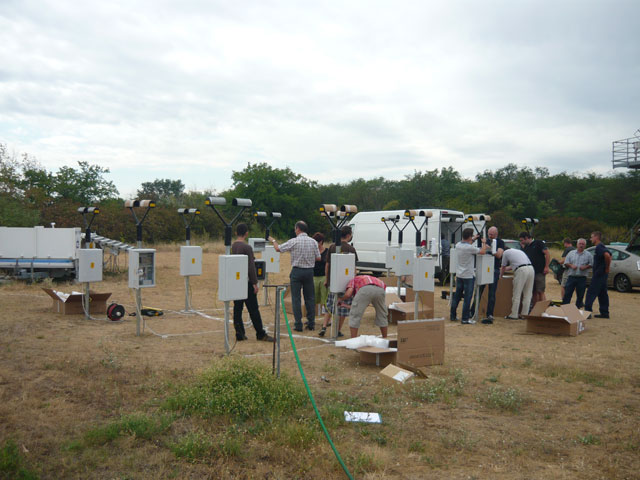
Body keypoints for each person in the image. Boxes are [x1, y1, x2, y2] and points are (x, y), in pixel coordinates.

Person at [270, 221, 321, 331]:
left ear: (298, 229)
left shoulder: (294, 241)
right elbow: (318, 257)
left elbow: (278, 249)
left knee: (296, 298)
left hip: (297, 271)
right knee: (310, 298)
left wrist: (273, 241)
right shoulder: (313, 242)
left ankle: (298, 324)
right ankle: (311, 323)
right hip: (309, 271)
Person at [231, 223, 274, 342]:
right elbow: (251, 267)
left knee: (237, 308)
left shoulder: (233, 246)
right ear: (246, 233)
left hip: (237, 281)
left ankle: (239, 333)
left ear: (236, 233)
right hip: (247, 282)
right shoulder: (247, 248)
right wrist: (255, 283)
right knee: (253, 309)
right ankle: (260, 333)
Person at [319, 226, 358, 337]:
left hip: (333, 282)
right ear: (348, 235)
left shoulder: (332, 247)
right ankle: (337, 330)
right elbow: (354, 268)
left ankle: (324, 326)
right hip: (346, 284)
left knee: (330, 305)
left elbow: (327, 265)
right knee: (343, 307)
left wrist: (327, 279)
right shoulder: (351, 249)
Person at [450, 228, 488, 324]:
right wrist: (484, 243)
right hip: (468, 276)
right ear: (470, 237)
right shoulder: (470, 248)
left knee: (457, 296)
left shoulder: (458, 245)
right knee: (467, 298)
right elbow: (483, 252)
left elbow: (467, 243)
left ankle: (453, 315)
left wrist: (474, 238)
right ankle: (465, 318)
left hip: (459, 275)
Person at [479, 226, 505, 325]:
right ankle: (473, 310)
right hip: (483, 268)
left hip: (494, 269)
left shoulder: (500, 242)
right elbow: (480, 252)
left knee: (492, 293)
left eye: (492, 234)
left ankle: (490, 314)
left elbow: (499, 255)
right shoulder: (484, 241)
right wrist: (484, 245)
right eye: (489, 234)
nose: (490, 236)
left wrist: (490, 249)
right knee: (479, 291)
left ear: (496, 234)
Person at [500, 247, 534, 319]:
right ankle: (524, 315)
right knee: (528, 294)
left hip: (521, 271)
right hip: (531, 269)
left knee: (517, 293)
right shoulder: (518, 251)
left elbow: (503, 267)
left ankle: (514, 314)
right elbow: (514, 265)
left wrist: (500, 276)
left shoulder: (505, 253)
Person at [519, 231, 550, 308]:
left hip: (539, 272)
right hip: (530, 273)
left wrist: (546, 267)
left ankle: (543, 309)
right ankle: (535, 308)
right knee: (533, 292)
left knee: (540, 291)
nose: (521, 242)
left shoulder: (538, 243)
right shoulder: (526, 247)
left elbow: (547, 253)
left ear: (526, 238)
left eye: (522, 240)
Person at [585, 231, 611, 318]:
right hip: (602, 274)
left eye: (592, 237)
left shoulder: (599, 247)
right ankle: (605, 312)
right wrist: (606, 268)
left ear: (596, 237)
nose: (590, 239)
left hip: (599, 274)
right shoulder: (601, 246)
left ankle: (587, 312)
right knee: (602, 293)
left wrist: (607, 268)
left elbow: (607, 256)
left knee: (591, 292)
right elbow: (609, 255)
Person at [562, 238, 592, 309]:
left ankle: (577, 309)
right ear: (577, 244)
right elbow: (566, 263)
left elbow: (592, 264)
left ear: (585, 245)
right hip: (571, 277)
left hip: (582, 278)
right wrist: (571, 265)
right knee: (567, 294)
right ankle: (565, 308)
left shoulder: (588, 255)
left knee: (580, 295)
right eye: (580, 244)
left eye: (583, 244)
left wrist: (585, 267)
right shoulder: (571, 253)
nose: (581, 245)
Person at [312, 232, 329, 317]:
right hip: (314, 277)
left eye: (317, 242)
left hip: (324, 277)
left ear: (321, 241)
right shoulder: (312, 251)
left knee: (324, 298)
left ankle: (324, 317)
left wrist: (327, 278)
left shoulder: (327, 251)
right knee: (314, 298)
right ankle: (314, 316)